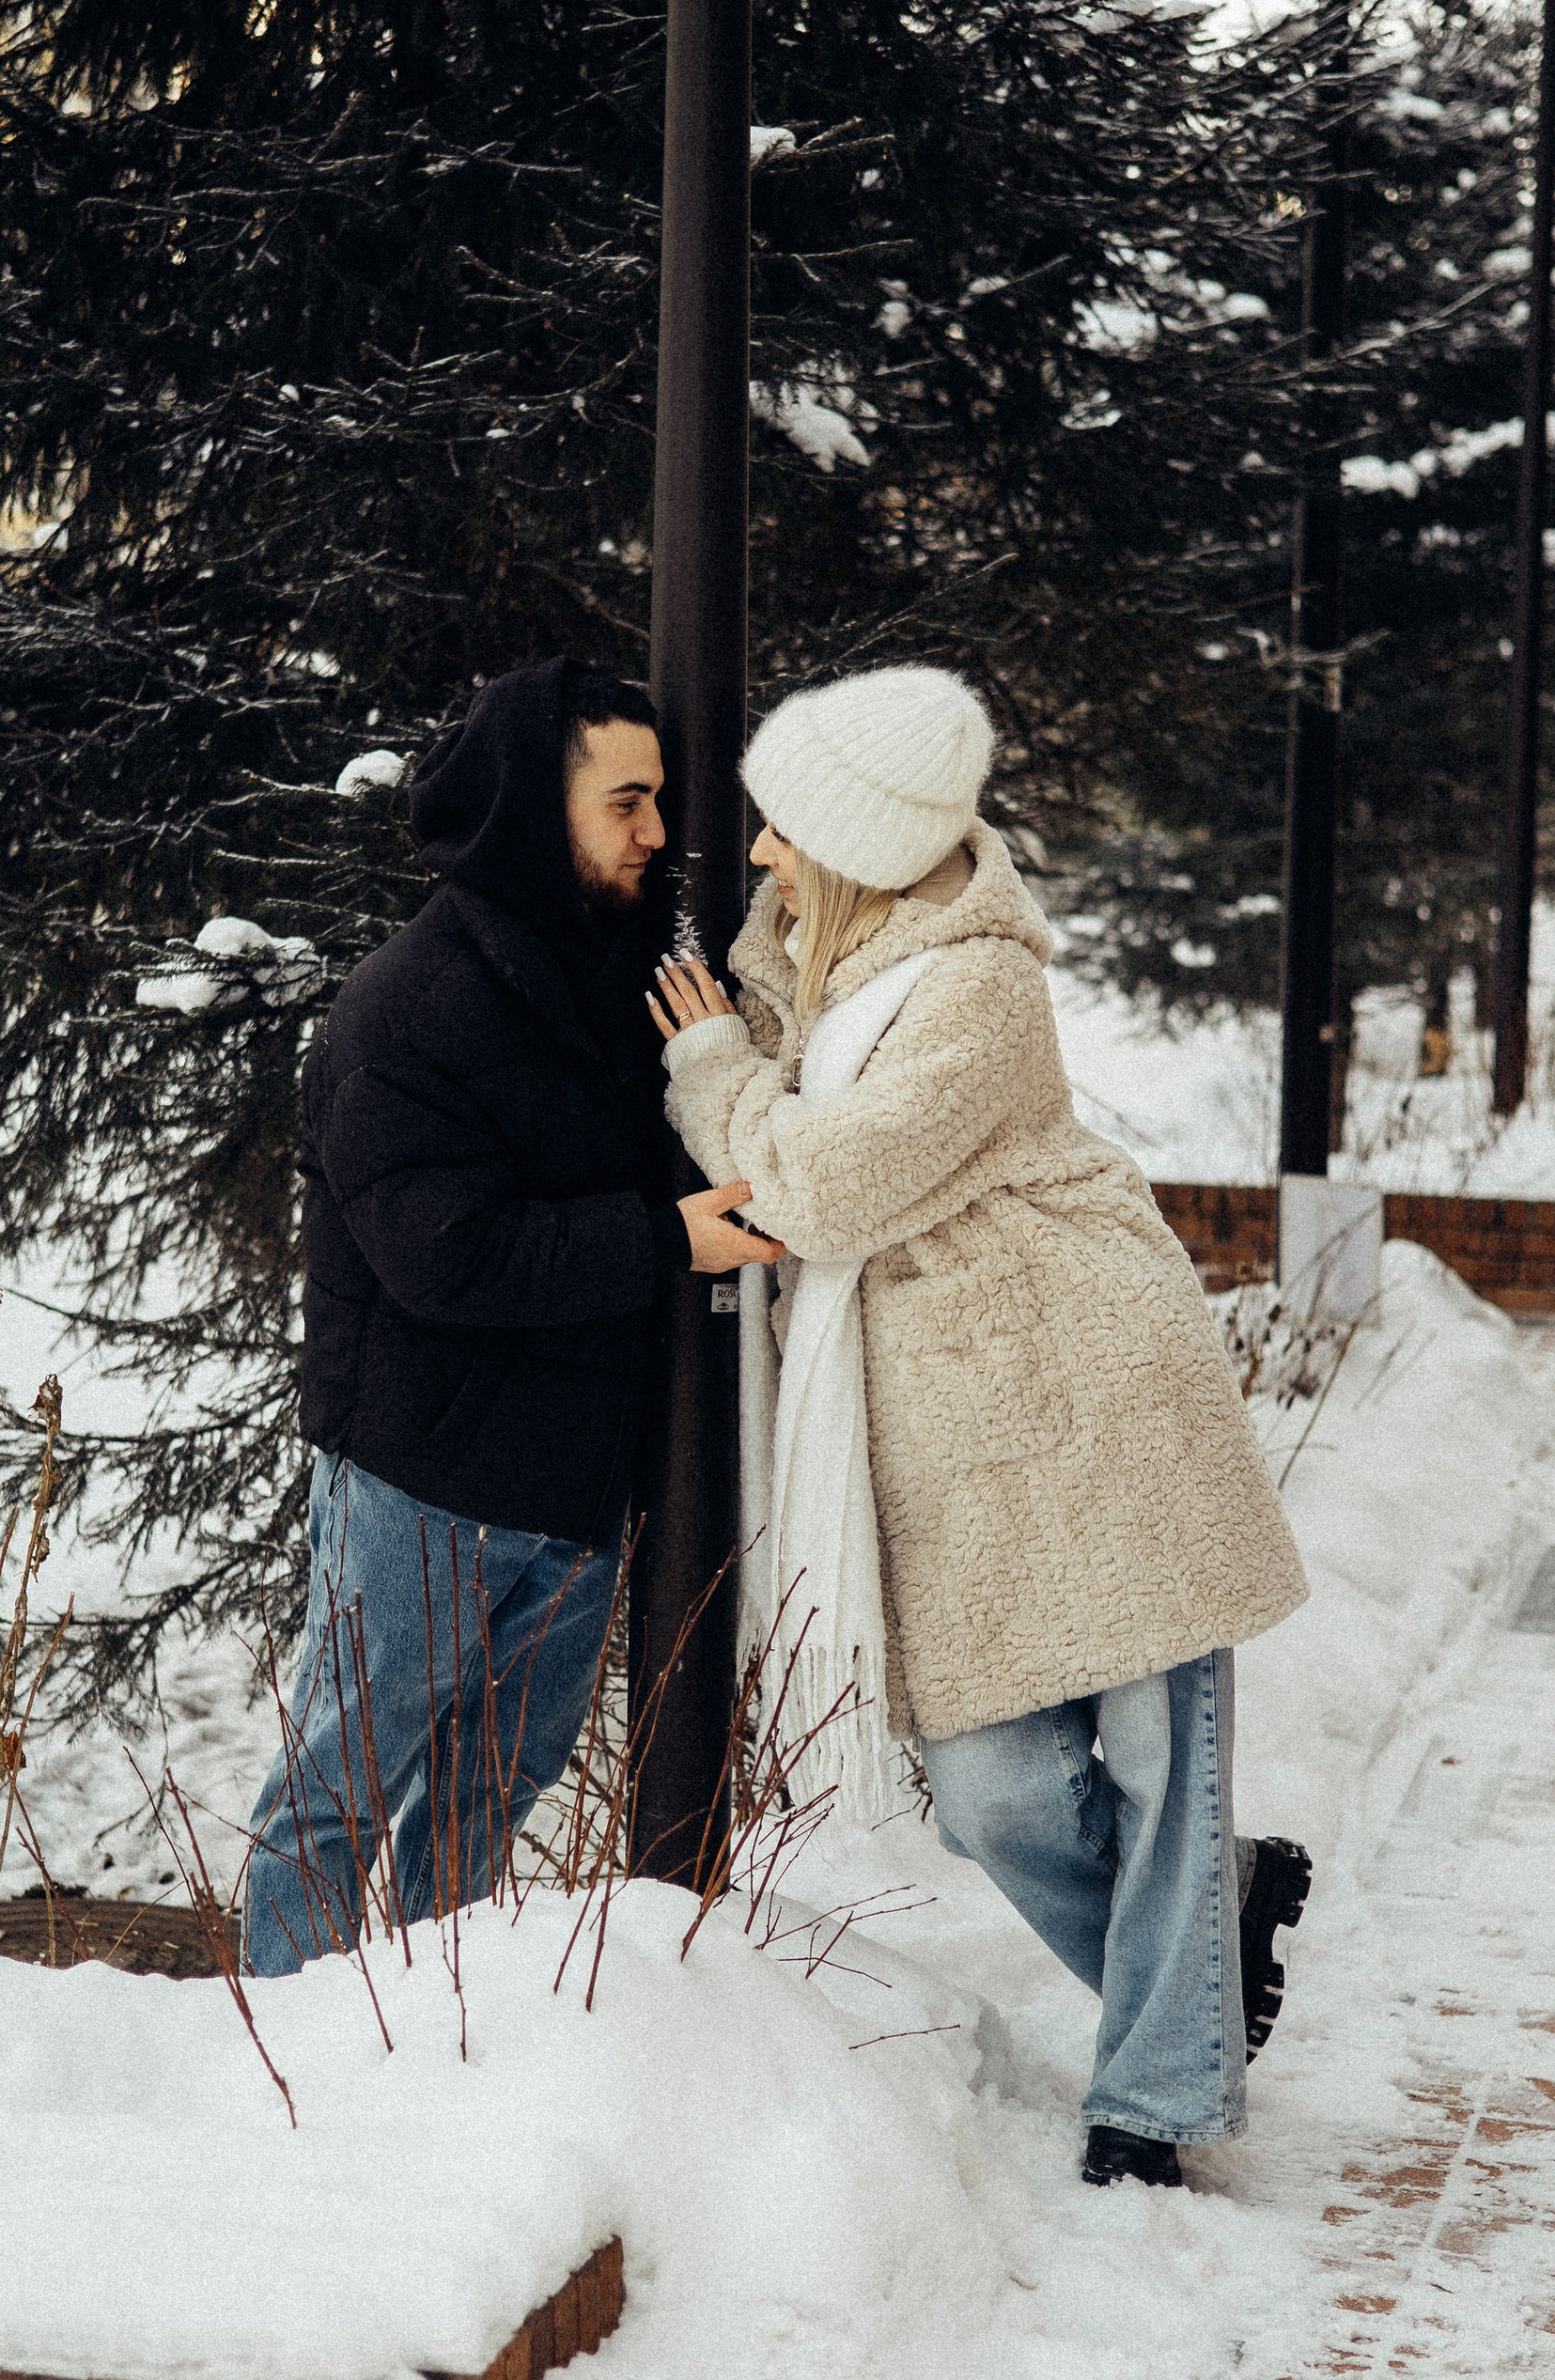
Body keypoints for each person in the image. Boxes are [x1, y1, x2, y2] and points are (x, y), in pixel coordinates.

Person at [649, 662, 1313, 2188]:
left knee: (1157, 1765)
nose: (755, 856)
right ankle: (1216, 1925)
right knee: (991, 1792)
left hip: (1093, 1398)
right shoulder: (826, 960)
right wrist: (750, 1042)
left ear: (863, 845)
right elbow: (799, 1126)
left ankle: (1150, 2102)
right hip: (955, 1435)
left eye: (782, 830)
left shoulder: (978, 989)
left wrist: (714, 1076)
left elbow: (812, 1188)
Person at [241, 653, 778, 1972]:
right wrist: (669, 1240)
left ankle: (439, 2051)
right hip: (422, 1489)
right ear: (538, 811)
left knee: (488, 1806)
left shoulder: (622, 979)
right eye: (628, 803)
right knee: (339, 1797)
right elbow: (448, 1258)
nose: (659, 834)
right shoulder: (404, 1010)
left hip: (573, 1494)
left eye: (660, 804)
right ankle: (271, 2075)